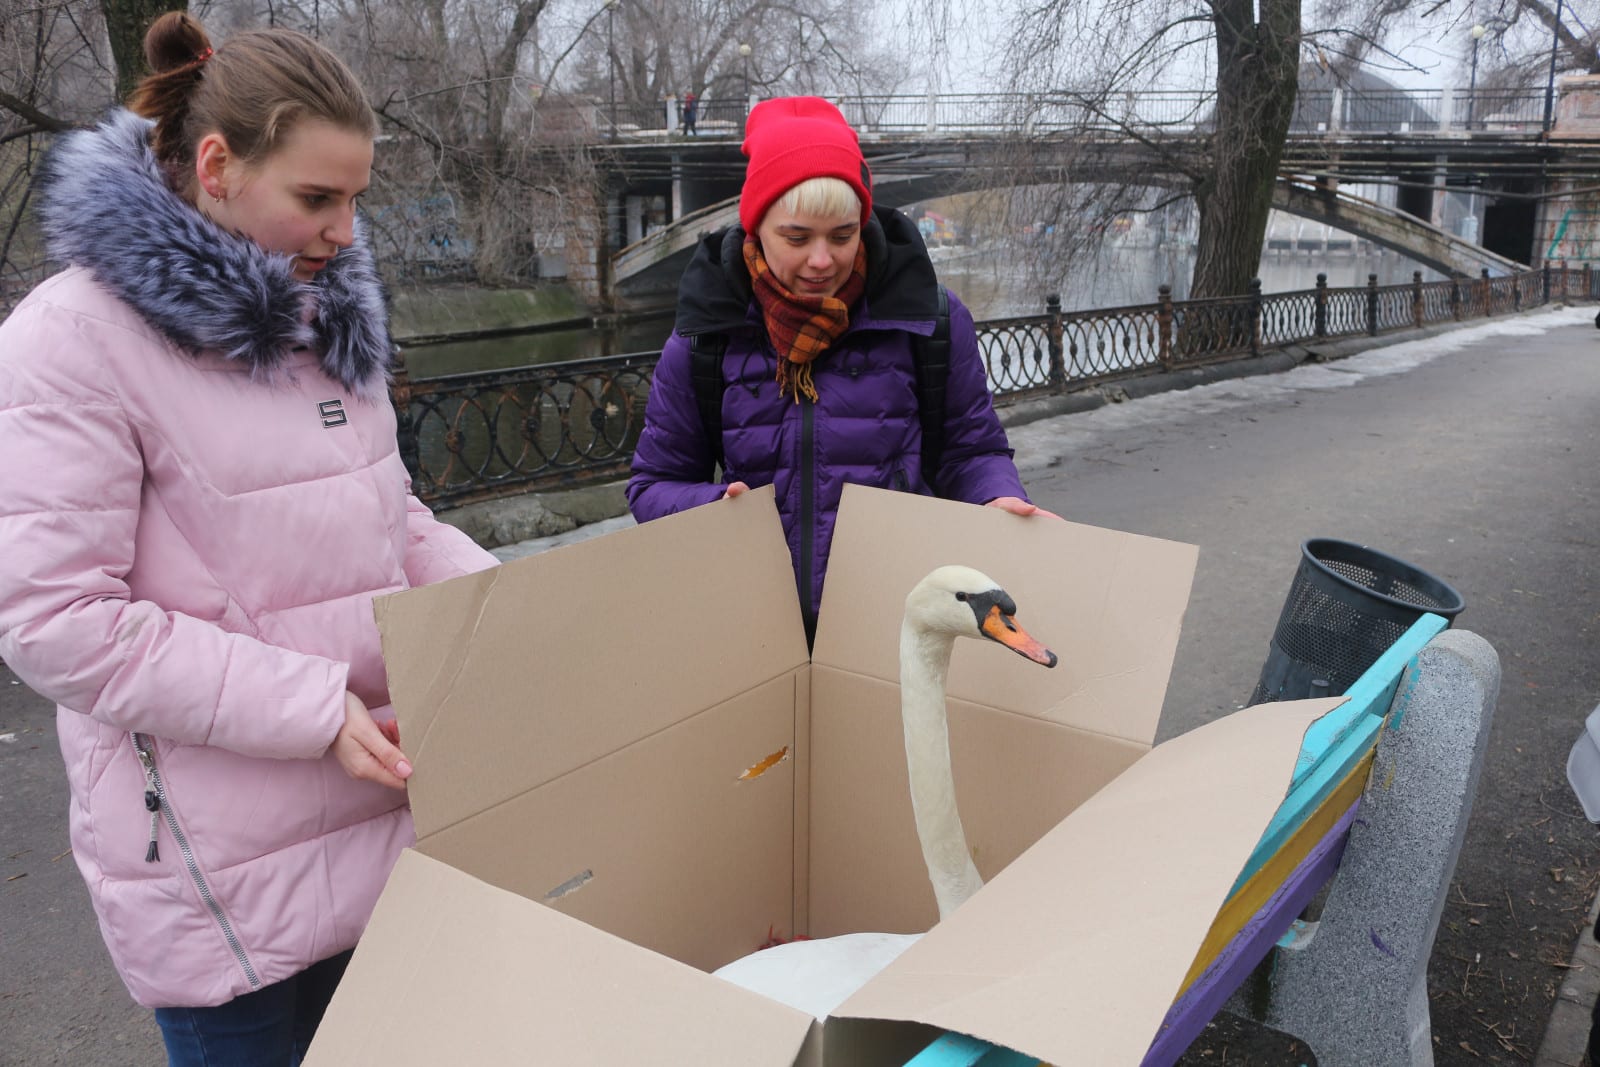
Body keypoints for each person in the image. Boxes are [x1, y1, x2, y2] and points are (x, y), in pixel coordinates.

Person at [0, 12, 496, 1065]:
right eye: (318, 198)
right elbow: (54, 623)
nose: (346, 232)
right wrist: (314, 710)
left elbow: (388, 519)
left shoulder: (327, 316)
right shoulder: (68, 341)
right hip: (216, 867)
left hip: (388, 814)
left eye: (356, 198)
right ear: (218, 165)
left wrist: (494, 605)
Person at [627, 96, 1054, 642]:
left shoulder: (932, 321)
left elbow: (972, 451)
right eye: (797, 238)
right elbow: (653, 486)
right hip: (756, 626)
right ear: (757, 227)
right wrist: (717, 509)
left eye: (842, 236)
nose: (823, 260)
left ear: (863, 225)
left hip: (896, 617)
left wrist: (995, 498)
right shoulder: (705, 337)